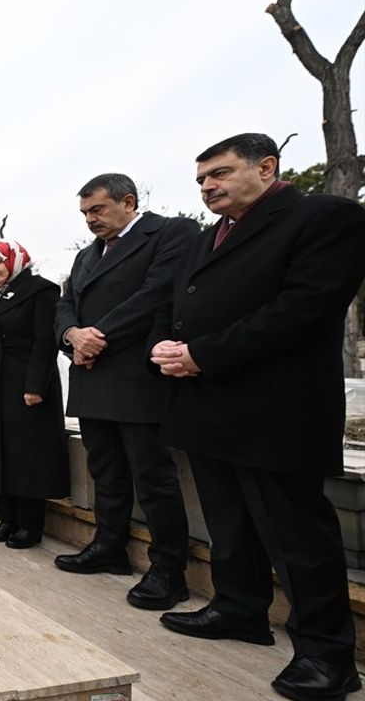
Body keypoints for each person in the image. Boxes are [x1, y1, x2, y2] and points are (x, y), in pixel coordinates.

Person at [150, 133, 365, 701]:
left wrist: (204, 355)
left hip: (276, 410)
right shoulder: (207, 238)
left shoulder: (325, 217)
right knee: (228, 523)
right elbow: (184, 305)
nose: (207, 187)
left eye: (218, 174)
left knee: (297, 536)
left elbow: (302, 309)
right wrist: (168, 348)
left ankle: (327, 655)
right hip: (206, 404)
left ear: (267, 167)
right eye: (200, 180)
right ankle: (240, 607)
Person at [54, 173, 195, 612]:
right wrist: (73, 335)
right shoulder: (85, 257)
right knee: (106, 471)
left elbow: (157, 294)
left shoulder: (169, 233)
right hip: (91, 374)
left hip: (138, 375)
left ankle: (169, 570)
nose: (90, 220)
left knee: (153, 477)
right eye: (85, 214)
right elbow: (65, 303)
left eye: (97, 209)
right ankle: (109, 547)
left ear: (128, 201)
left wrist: (99, 336)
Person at [0, 240, 69, 549]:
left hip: (25, 382)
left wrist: (35, 386)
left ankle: (30, 524)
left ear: (15, 261)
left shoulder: (40, 291)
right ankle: (6, 518)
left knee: (26, 453)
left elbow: (45, 342)